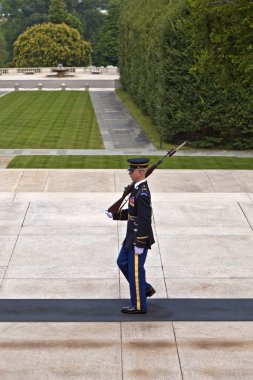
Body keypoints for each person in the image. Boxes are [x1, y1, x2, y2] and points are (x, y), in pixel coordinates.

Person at [107, 158, 156, 314]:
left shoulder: (142, 193)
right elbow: (133, 214)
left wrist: (140, 243)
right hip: (131, 237)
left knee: (136, 271)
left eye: (132, 170)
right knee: (122, 262)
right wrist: (115, 214)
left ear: (140, 172)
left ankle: (139, 306)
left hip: (137, 239)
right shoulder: (136, 189)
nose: (129, 172)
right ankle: (145, 288)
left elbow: (145, 219)